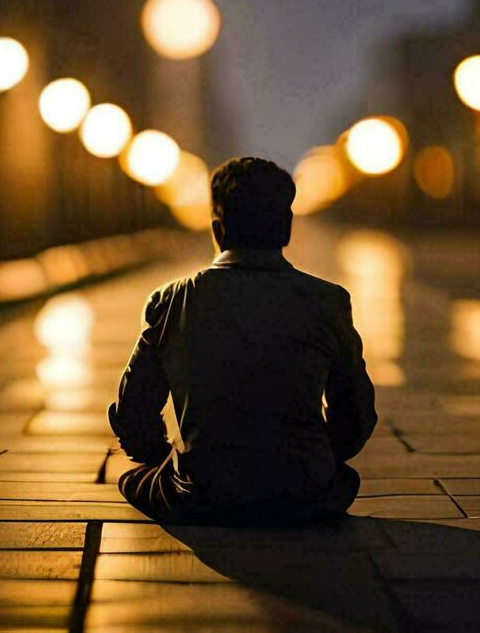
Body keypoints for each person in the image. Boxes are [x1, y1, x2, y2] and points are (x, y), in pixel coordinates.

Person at [108, 156, 377, 526]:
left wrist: (162, 456)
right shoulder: (328, 301)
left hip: (202, 495)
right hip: (302, 495)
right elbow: (356, 419)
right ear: (286, 228)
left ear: (218, 229)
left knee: (133, 480)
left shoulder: (172, 301)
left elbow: (132, 416)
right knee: (341, 481)